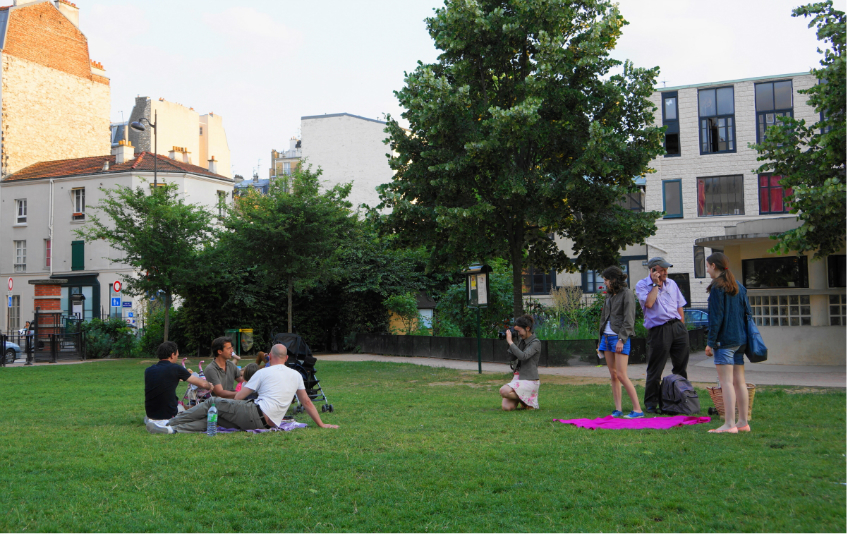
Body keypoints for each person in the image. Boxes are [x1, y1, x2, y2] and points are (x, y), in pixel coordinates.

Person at [146, 343, 338, 433]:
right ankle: (174, 430)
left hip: (256, 413)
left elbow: (239, 398)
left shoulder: (263, 372)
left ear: (269, 356)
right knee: (214, 418)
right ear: (286, 358)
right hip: (268, 423)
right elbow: (306, 402)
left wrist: (224, 396)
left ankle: (169, 422)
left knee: (212, 403)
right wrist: (321, 424)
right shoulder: (296, 375)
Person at [704, 252, 753, 434]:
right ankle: (743, 423)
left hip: (724, 341)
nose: (707, 270)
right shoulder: (738, 286)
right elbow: (748, 313)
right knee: (740, 382)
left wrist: (710, 342)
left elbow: (716, 318)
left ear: (714, 266)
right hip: (740, 339)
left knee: (726, 382)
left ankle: (729, 424)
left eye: (707, 266)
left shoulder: (717, 288)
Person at [635, 257, 689, 414]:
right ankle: (651, 403)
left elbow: (679, 305)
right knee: (656, 368)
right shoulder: (642, 285)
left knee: (681, 366)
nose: (665, 272)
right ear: (652, 270)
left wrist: (681, 326)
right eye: (661, 270)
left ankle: (681, 400)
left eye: (666, 269)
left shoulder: (672, 284)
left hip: (677, 327)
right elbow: (649, 303)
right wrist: (655, 285)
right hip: (659, 329)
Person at [598, 266, 643, 418]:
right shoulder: (610, 295)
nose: (604, 283)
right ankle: (618, 409)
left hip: (619, 338)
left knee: (622, 375)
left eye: (606, 280)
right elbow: (603, 318)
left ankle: (638, 410)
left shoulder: (627, 293)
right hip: (606, 338)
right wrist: (600, 341)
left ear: (613, 279)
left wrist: (621, 339)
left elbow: (629, 320)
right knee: (613, 374)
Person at [145, 341, 212, 423]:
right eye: (177, 355)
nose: (177, 358)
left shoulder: (148, 370)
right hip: (168, 414)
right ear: (172, 355)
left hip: (151, 414)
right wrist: (210, 386)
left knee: (184, 405)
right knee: (195, 410)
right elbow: (203, 384)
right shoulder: (175, 368)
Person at [499, 315, 541, 411]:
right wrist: (511, 343)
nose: (518, 334)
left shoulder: (535, 343)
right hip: (518, 377)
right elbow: (511, 358)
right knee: (506, 407)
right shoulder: (522, 341)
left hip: (529, 379)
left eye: (519, 331)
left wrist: (511, 342)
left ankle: (530, 400)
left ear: (527, 328)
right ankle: (526, 401)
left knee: (504, 391)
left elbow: (523, 356)